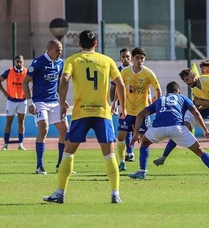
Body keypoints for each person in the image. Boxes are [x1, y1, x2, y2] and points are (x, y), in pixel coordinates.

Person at [43, 30, 126, 204]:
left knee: (68, 151)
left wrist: (62, 103)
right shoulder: (107, 60)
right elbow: (120, 84)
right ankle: (115, 194)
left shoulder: (72, 60)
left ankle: (60, 193)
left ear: (79, 44)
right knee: (109, 154)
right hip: (102, 113)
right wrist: (121, 107)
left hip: (81, 113)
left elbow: (64, 79)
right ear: (96, 43)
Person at [128, 81, 209, 180]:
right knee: (200, 150)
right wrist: (204, 129)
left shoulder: (160, 99)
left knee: (144, 143)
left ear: (166, 92)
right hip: (177, 128)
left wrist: (136, 134)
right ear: (179, 91)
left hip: (158, 128)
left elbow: (140, 114)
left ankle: (142, 171)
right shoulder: (183, 98)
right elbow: (196, 112)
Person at [153, 60, 209, 167]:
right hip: (193, 116)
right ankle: (163, 157)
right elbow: (197, 105)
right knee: (180, 131)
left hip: (208, 119)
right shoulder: (196, 86)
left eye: (208, 70)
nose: (205, 72)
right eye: (203, 70)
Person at [22, 40, 68, 175]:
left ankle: (60, 165)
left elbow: (58, 84)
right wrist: (30, 103)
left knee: (65, 130)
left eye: (61, 50)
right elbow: (25, 83)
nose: (60, 53)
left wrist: (62, 100)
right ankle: (39, 166)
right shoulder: (39, 62)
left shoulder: (60, 63)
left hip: (54, 102)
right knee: (44, 129)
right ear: (49, 50)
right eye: (57, 50)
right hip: (39, 101)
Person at [115, 47, 161, 172]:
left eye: (142, 58)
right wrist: (115, 103)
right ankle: (122, 161)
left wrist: (157, 105)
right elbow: (119, 87)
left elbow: (157, 89)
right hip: (127, 110)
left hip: (142, 112)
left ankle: (142, 168)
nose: (140, 60)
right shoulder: (125, 72)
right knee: (120, 136)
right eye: (137, 58)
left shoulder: (148, 73)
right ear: (133, 59)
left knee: (144, 139)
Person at [110, 48, 135, 162]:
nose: (126, 59)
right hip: (122, 104)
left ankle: (130, 152)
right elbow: (113, 87)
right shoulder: (118, 70)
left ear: (131, 57)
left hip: (136, 103)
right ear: (120, 58)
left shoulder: (135, 69)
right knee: (125, 129)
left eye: (128, 56)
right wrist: (113, 103)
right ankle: (129, 153)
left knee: (135, 129)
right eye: (123, 57)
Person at [0, 55, 27, 151]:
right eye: (17, 62)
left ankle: (20, 144)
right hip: (11, 101)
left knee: (21, 122)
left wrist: (30, 92)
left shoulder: (26, 72)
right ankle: (5, 144)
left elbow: (35, 82)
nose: (19, 63)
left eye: (20, 62)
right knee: (9, 121)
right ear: (14, 62)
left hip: (22, 101)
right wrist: (4, 92)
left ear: (23, 62)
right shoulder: (9, 71)